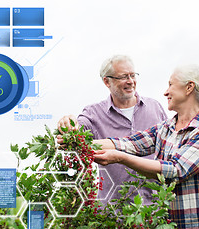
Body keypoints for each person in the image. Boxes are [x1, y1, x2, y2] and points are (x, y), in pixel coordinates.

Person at [93, 64, 199, 229]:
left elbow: (175, 170)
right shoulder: (165, 129)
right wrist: (79, 142)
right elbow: (127, 144)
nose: (165, 92)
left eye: (171, 85)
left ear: (189, 87)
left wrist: (120, 158)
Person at [57, 55, 167, 206]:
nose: (130, 81)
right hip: (113, 213)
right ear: (107, 81)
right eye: (123, 77)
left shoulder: (155, 108)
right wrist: (69, 125)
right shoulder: (94, 113)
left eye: (132, 75)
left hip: (155, 209)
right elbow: (78, 129)